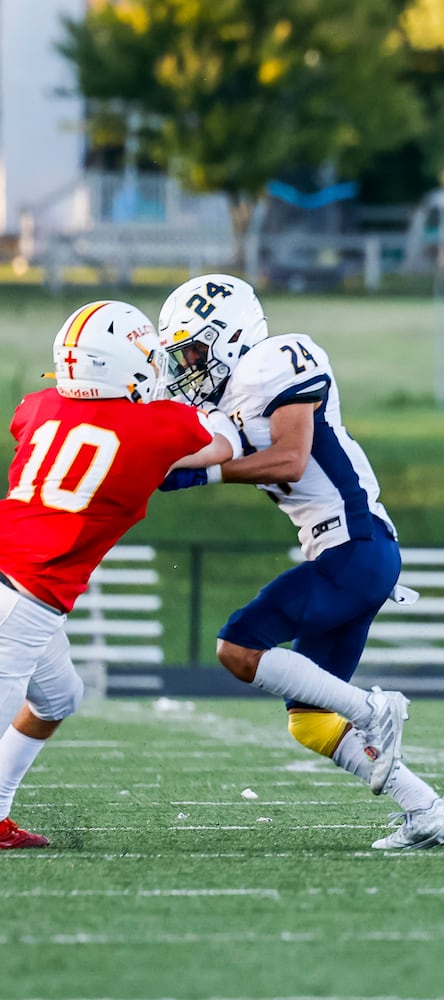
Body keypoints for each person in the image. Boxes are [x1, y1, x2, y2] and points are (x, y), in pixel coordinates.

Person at [154, 273, 444, 851]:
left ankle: (375, 707)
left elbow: (290, 459)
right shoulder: (229, 404)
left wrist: (205, 473)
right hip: (343, 554)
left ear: (231, 336)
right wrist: (150, 461)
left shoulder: (272, 362)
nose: (188, 366)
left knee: (238, 648)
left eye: (194, 350)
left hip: (356, 547)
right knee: (311, 718)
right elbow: (205, 449)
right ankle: (426, 809)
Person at [0, 300, 236, 849]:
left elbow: (40, 425)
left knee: (59, 697)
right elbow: (221, 447)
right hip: (24, 597)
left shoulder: (36, 406)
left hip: (19, 584)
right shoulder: (160, 426)